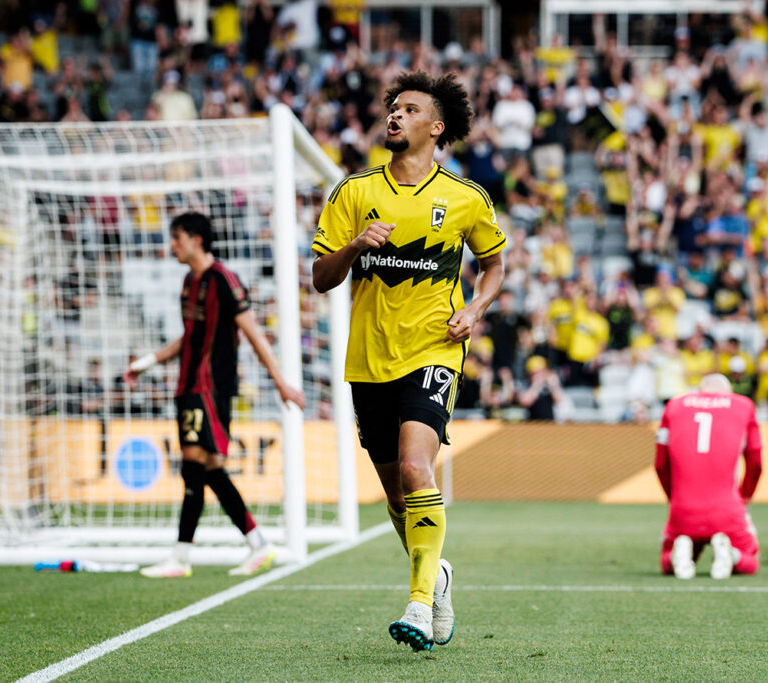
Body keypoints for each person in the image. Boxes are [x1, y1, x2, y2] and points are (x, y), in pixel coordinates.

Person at [311, 71, 505, 651]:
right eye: (392, 108)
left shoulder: (466, 199)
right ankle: (436, 575)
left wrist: (476, 308)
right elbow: (321, 278)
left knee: (419, 472)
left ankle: (419, 606)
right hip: (368, 361)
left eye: (409, 109)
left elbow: (494, 265)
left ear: (435, 127)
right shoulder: (354, 193)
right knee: (397, 497)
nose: (394, 115)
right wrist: (354, 245)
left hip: (434, 349)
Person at [125, 212, 305, 578]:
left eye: (176, 237)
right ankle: (256, 544)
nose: (171, 245)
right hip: (187, 385)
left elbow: (252, 332)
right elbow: (188, 336)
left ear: (195, 239)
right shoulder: (187, 282)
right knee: (207, 467)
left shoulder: (223, 279)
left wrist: (280, 381)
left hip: (209, 388)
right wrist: (146, 362)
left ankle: (181, 556)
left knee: (195, 462)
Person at [655, 374, 763, 580]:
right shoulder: (743, 405)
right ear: (728, 392)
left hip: (683, 510)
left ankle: (680, 552)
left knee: (667, 559)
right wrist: (744, 497)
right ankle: (732, 556)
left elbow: (660, 465)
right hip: (727, 510)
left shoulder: (674, 406)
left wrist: (674, 497)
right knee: (750, 560)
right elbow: (755, 462)